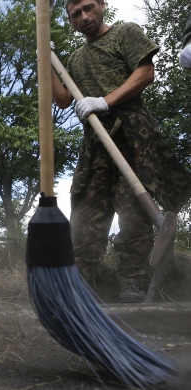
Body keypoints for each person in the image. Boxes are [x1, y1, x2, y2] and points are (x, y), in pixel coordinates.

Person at [52, 0, 191, 302]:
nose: (84, 16)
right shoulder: (75, 58)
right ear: (71, 20)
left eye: (89, 7)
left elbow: (145, 73)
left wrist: (105, 100)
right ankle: (83, 280)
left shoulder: (125, 32)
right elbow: (63, 99)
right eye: (76, 14)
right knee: (87, 205)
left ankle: (132, 281)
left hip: (132, 131)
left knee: (133, 207)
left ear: (102, 4)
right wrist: (46, 62)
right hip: (96, 140)